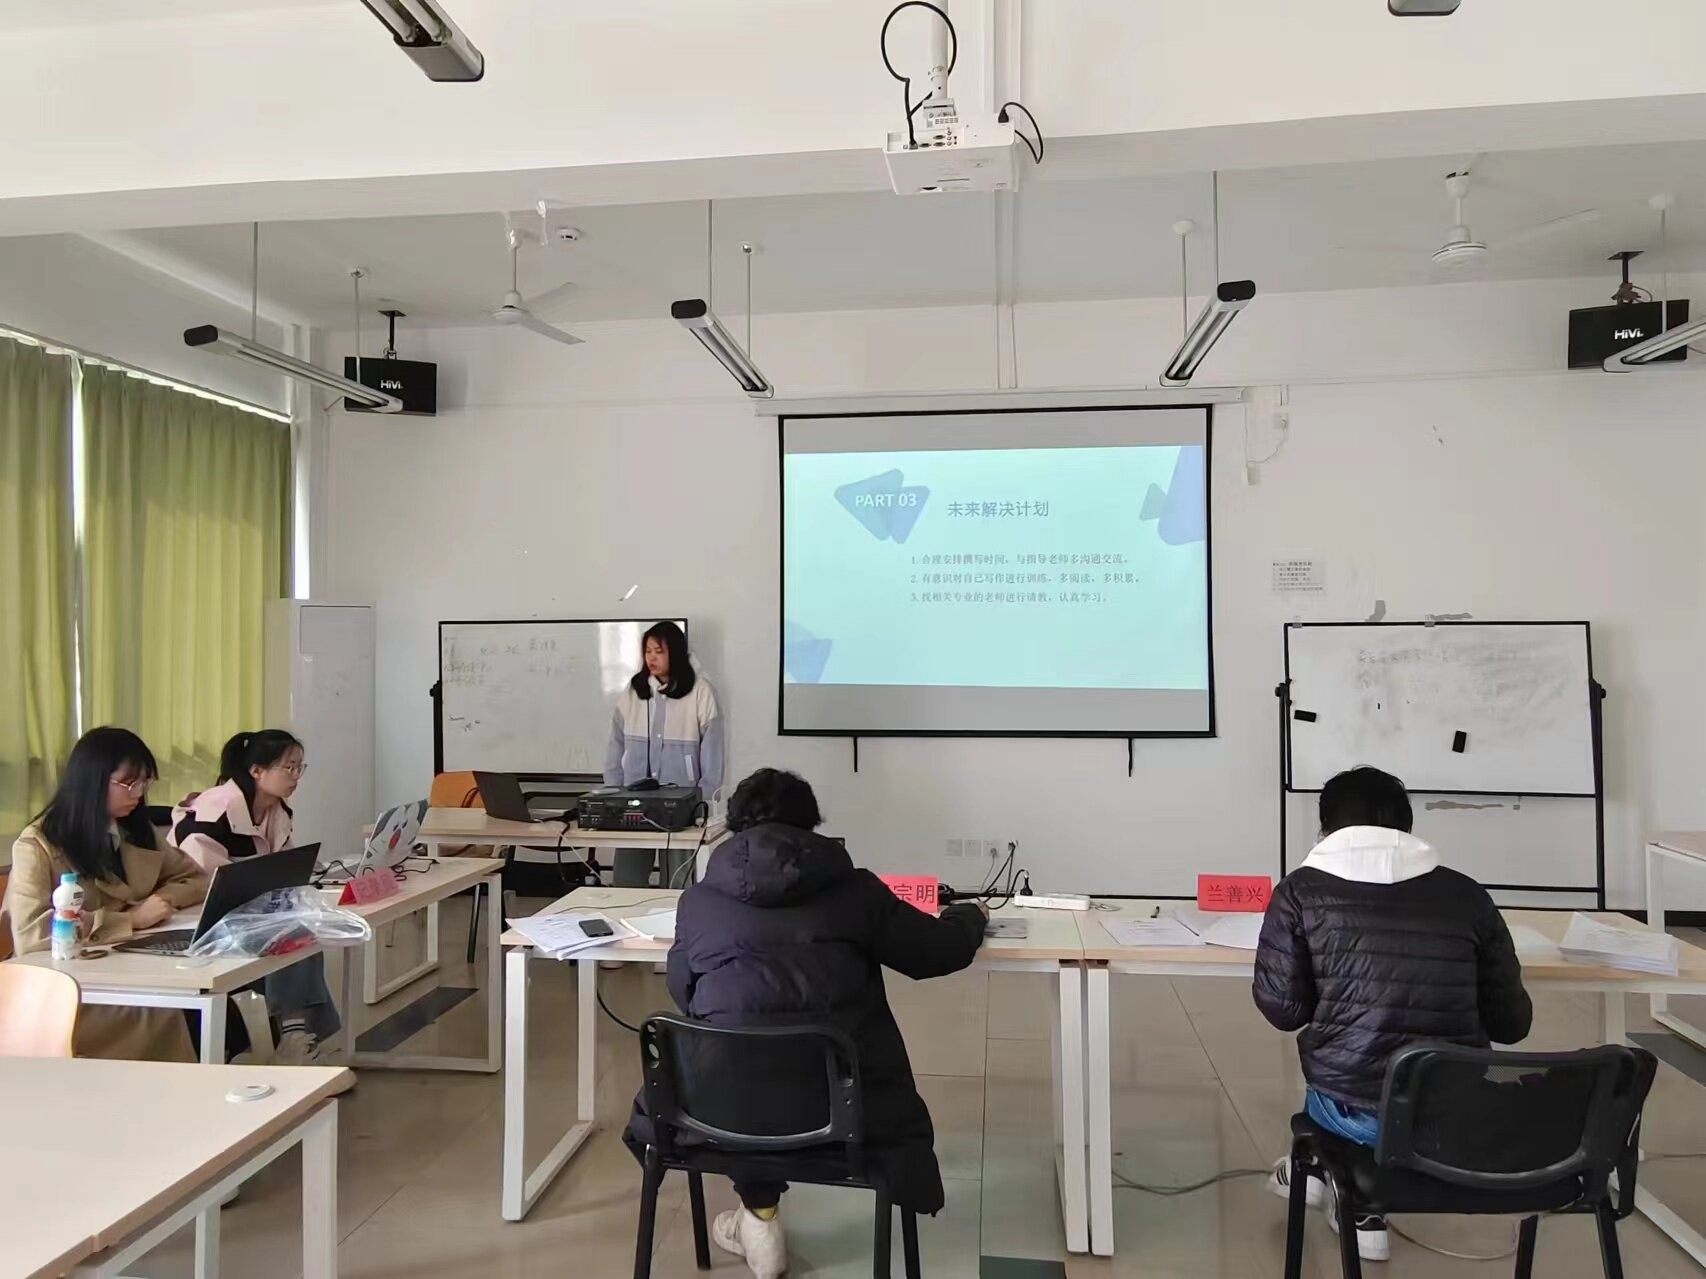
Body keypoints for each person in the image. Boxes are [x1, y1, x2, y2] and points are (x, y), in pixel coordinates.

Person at [623, 768, 988, 1279]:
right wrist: (969, 916)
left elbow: (684, 991)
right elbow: (937, 953)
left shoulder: (699, 900)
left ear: (735, 824)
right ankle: (759, 1217)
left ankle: (759, 1213)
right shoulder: (856, 892)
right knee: (787, 1068)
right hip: (846, 1113)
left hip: (710, 1113)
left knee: (747, 1060)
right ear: (810, 825)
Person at [1253, 766, 1532, 1263]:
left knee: (1337, 1082)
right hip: (1460, 1114)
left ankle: (1340, 1188)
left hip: (1360, 1117)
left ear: (1326, 828)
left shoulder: (1301, 892)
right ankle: (1331, 1184)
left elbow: (1283, 1010)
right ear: (1406, 826)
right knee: (1361, 1078)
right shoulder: (1467, 895)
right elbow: (1512, 1025)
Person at [4, 727, 209, 1060]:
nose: (138, 793)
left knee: (198, 1003)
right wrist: (130, 920)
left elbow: (195, 878)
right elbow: (32, 936)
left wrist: (163, 900)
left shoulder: (134, 829)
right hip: (63, 990)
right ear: (93, 780)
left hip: (124, 967)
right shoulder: (38, 844)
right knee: (164, 1012)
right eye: (128, 783)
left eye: (144, 783)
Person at [171, 729, 340, 1063]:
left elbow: (282, 865)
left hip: (247, 911)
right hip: (196, 917)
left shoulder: (275, 810)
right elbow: (204, 882)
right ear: (256, 771)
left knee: (301, 927)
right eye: (288, 767)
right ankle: (294, 1038)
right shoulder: (213, 812)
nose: (296, 776)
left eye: (300, 767)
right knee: (291, 932)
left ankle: (295, 1036)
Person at [602, 621, 724, 887]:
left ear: (675, 653)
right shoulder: (634, 691)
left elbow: (712, 754)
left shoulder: (700, 691)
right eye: (647, 651)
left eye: (659, 651)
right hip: (633, 802)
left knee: (679, 884)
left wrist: (702, 802)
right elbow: (614, 744)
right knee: (626, 882)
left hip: (682, 806)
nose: (652, 658)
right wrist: (613, 791)